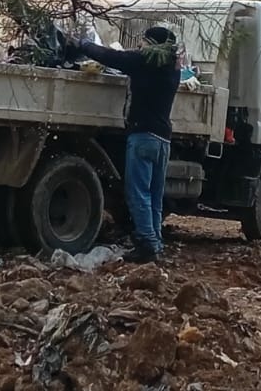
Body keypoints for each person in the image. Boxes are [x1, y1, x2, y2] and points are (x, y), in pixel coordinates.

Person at [64, 25, 181, 263]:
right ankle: (155, 241)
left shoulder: (142, 61)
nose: (140, 45)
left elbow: (112, 57)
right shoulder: (173, 68)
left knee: (138, 193)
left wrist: (83, 44)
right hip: (163, 140)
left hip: (142, 136)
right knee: (155, 195)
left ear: (151, 44)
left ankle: (147, 244)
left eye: (143, 42)